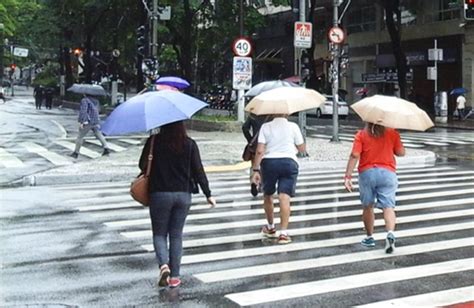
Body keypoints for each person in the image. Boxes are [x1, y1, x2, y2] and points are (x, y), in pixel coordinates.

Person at [139, 121, 216, 288]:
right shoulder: (189, 144)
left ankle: (163, 265)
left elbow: (142, 165)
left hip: (159, 193)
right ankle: (174, 277)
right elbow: (199, 170)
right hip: (183, 195)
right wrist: (208, 194)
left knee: (159, 234)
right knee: (176, 235)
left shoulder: (154, 141)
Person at [343, 123, 405, 254]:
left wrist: (348, 176)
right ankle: (390, 233)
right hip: (388, 173)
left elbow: (355, 154)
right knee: (388, 206)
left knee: (368, 206)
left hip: (367, 173)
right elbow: (401, 153)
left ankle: (369, 237)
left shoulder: (361, 134)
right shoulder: (392, 132)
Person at [251, 114, 305, 244]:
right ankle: (284, 233)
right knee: (284, 197)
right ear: (287, 113)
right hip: (289, 162)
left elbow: (259, 151)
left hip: (269, 164)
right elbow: (302, 149)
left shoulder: (266, 127)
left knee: (268, 195)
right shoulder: (293, 127)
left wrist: (255, 170)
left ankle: (270, 228)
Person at [242, 114, 270, 196]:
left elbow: (245, 128)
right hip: (266, 144)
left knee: (254, 165)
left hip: (255, 144)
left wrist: (250, 139)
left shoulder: (253, 115)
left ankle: (253, 182)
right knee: (265, 164)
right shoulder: (271, 115)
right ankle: (262, 184)